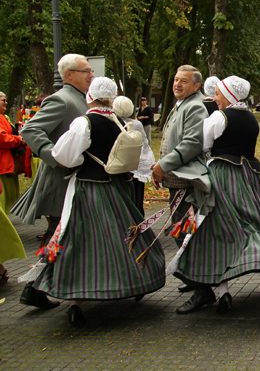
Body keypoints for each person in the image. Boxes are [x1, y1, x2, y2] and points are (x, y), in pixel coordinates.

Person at [23, 77, 165, 326]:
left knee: (78, 238)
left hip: (88, 190)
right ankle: (135, 281)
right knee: (121, 236)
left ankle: (77, 298)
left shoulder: (84, 121)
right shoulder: (121, 122)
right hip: (117, 191)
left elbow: (64, 156)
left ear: (90, 96)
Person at [172, 76, 260, 314]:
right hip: (249, 175)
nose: (215, 98)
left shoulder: (219, 117)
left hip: (223, 176)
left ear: (228, 95)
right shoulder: (250, 118)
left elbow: (203, 144)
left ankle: (221, 290)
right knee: (252, 223)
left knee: (218, 230)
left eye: (218, 94)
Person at [12, 54, 91, 244]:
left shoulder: (81, 99)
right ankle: (46, 272)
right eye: (86, 71)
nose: (91, 74)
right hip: (60, 182)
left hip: (75, 180)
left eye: (91, 71)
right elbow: (30, 130)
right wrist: (56, 156)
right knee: (58, 239)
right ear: (69, 75)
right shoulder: (61, 100)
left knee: (66, 239)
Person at [152, 64, 208, 293]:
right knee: (181, 231)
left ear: (196, 85)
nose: (177, 84)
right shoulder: (182, 104)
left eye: (183, 81)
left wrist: (163, 165)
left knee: (186, 234)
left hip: (186, 181)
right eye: (176, 79)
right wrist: (160, 168)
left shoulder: (195, 106)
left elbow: (191, 144)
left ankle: (202, 287)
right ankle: (192, 277)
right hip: (176, 179)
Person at [113, 96, 156, 215]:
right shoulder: (136, 124)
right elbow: (145, 146)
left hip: (119, 168)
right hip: (136, 166)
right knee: (136, 200)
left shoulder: (113, 122)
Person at [0, 92, 25, 213]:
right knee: (4, 196)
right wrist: (19, 139)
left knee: (10, 195)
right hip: (2, 164)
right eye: (3, 100)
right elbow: (2, 138)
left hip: (8, 162)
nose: (6, 102)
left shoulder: (3, 117)